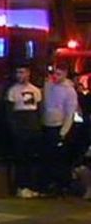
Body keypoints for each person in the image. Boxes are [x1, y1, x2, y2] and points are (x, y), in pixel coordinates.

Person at [39, 63, 78, 194]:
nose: (55, 76)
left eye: (59, 74)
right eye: (54, 73)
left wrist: (63, 132)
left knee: (58, 159)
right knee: (46, 158)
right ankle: (47, 184)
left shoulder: (69, 91)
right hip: (46, 125)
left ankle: (60, 185)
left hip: (59, 126)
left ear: (65, 74)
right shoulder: (48, 85)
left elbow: (70, 113)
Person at [6, 63, 42, 198]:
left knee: (31, 158)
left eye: (23, 72)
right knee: (21, 158)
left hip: (32, 127)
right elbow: (10, 112)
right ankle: (21, 186)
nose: (20, 75)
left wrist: (37, 127)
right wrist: (15, 129)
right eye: (18, 72)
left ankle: (30, 185)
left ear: (28, 73)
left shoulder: (36, 90)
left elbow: (38, 110)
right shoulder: (13, 91)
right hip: (20, 127)